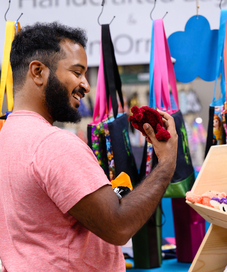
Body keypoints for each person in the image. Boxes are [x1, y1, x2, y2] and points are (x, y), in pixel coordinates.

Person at [0, 22, 178, 271]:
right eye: (76, 72)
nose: (86, 85)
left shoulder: (6, 135)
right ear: (38, 72)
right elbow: (118, 227)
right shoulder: (54, 145)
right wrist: (167, 163)